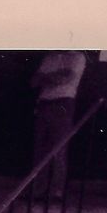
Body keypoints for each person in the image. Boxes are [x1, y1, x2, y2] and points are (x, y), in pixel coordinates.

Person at [32, 52, 88, 197]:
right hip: (44, 102)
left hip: (63, 103)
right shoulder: (49, 57)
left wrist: (46, 77)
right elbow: (34, 81)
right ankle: (39, 189)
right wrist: (54, 76)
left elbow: (65, 79)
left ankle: (56, 191)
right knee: (40, 149)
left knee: (59, 148)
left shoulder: (76, 57)